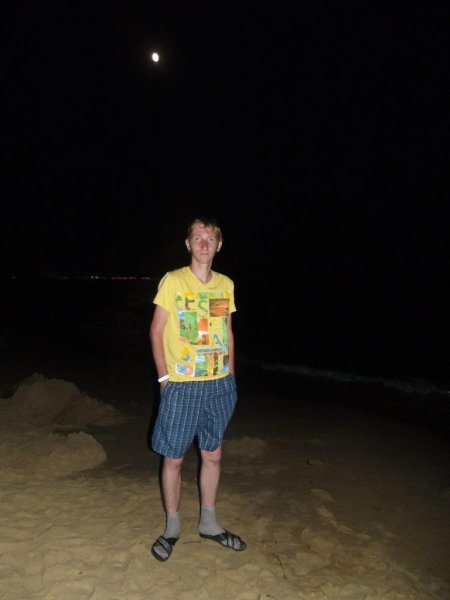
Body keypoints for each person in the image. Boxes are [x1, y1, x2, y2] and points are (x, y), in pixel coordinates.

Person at [149, 217, 246, 562]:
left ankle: (209, 523)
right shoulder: (173, 281)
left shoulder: (226, 284)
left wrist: (231, 377)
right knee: (174, 459)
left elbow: (227, 332)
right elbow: (156, 331)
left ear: (219, 245)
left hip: (219, 385)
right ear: (188, 244)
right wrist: (164, 379)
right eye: (198, 237)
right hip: (183, 384)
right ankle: (172, 527)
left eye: (210, 238)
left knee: (213, 455)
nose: (204, 243)